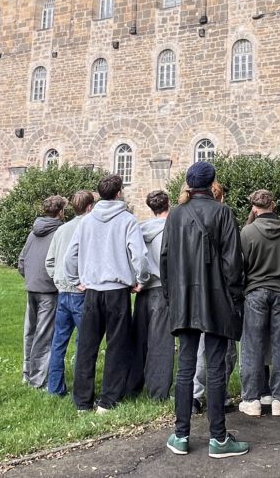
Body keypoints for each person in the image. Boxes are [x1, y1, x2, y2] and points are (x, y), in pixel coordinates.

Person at [161, 162, 249, 458]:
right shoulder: (222, 213)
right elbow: (233, 264)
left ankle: (181, 434)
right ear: (212, 183)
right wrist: (235, 298)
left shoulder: (175, 215)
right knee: (214, 368)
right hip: (215, 300)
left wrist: (171, 296)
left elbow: (165, 260)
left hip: (184, 300)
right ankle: (218, 438)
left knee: (186, 367)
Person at [63, 174, 149, 413]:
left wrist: (75, 280)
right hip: (117, 291)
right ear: (119, 192)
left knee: (87, 346)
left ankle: (82, 400)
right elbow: (139, 256)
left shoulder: (86, 221)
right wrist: (141, 279)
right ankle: (108, 400)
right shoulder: (127, 220)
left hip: (92, 291)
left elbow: (71, 255)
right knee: (117, 345)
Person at [238, 189, 280, 417]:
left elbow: (241, 266)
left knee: (253, 344)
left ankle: (252, 398)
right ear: (273, 205)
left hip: (255, 291)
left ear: (254, 207)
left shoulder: (247, 232)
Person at [192, 179, 238, 411]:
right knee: (223, 349)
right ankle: (220, 395)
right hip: (219, 292)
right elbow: (232, 260)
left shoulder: (185, 216)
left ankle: (196, 393)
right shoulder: (223, 216)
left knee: (200, 345)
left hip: (194, 292)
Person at [126, 190, 175, 401]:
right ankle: (158, 392)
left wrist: (137, 280)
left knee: (140, 340)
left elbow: (133, 255)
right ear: (169, 205)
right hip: (162, 288)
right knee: (161, 342)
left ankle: (133, 385)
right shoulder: (173, 230)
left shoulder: (140, 229)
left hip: (143, 289)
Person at [45, 190, 95, 397]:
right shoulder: (89, 228)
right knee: (84, 343)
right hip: (80, 292)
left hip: (63, 291)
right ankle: (81, 390)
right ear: (90, 207)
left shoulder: (62, 229)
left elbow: (50, 261)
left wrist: (58, 279)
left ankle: (55, 388)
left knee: (59, 343)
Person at [18, 195, 67, 388]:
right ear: (60, 212)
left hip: (32, 286)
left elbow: (22, 260)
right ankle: (37, 379)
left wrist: (30, 277)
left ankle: (27, 372)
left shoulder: (34, 232)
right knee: (43, 335)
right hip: (48, 289)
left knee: (30, 332)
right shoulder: (60, 232)